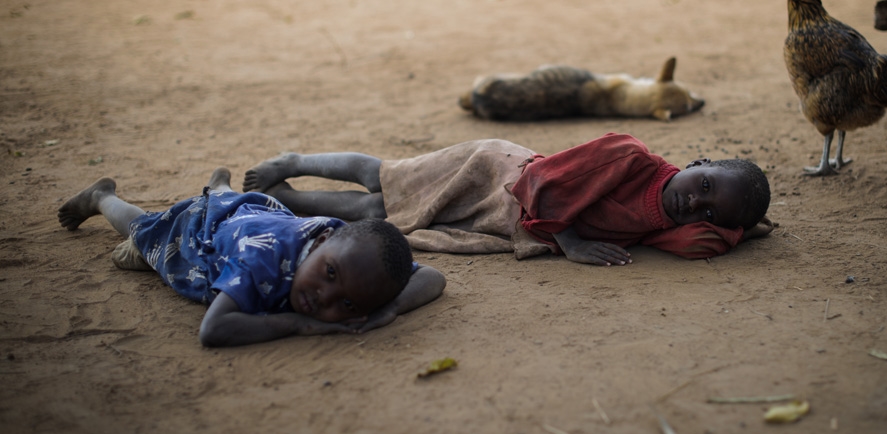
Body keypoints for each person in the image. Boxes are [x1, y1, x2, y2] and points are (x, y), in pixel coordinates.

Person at [242, 133, 773, 266]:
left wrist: (741, 226)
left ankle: (289, 197)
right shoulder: (630, 157)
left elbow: (702, 241)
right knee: (385, 178)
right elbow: (544, 181)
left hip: (505, 218)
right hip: (496, 174)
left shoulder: (667, 220)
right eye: (702, 189)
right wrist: (569, 240)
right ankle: (294, 162)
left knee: (379, 213)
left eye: (710, 211)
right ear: (697, 164)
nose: (693, 208)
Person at [57, 167, 446, 347]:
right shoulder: (262, 263)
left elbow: (431, 276)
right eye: (329, 274)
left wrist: (390, 308)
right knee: (143, 232)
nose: (322, 298)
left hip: (260, 213)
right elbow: (214, 330)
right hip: (197, 232)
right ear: (326, 238)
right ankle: (102, 197)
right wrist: (298, 324)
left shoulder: (356, 254)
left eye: (346, 303)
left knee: (229, 202)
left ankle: (220, 187)